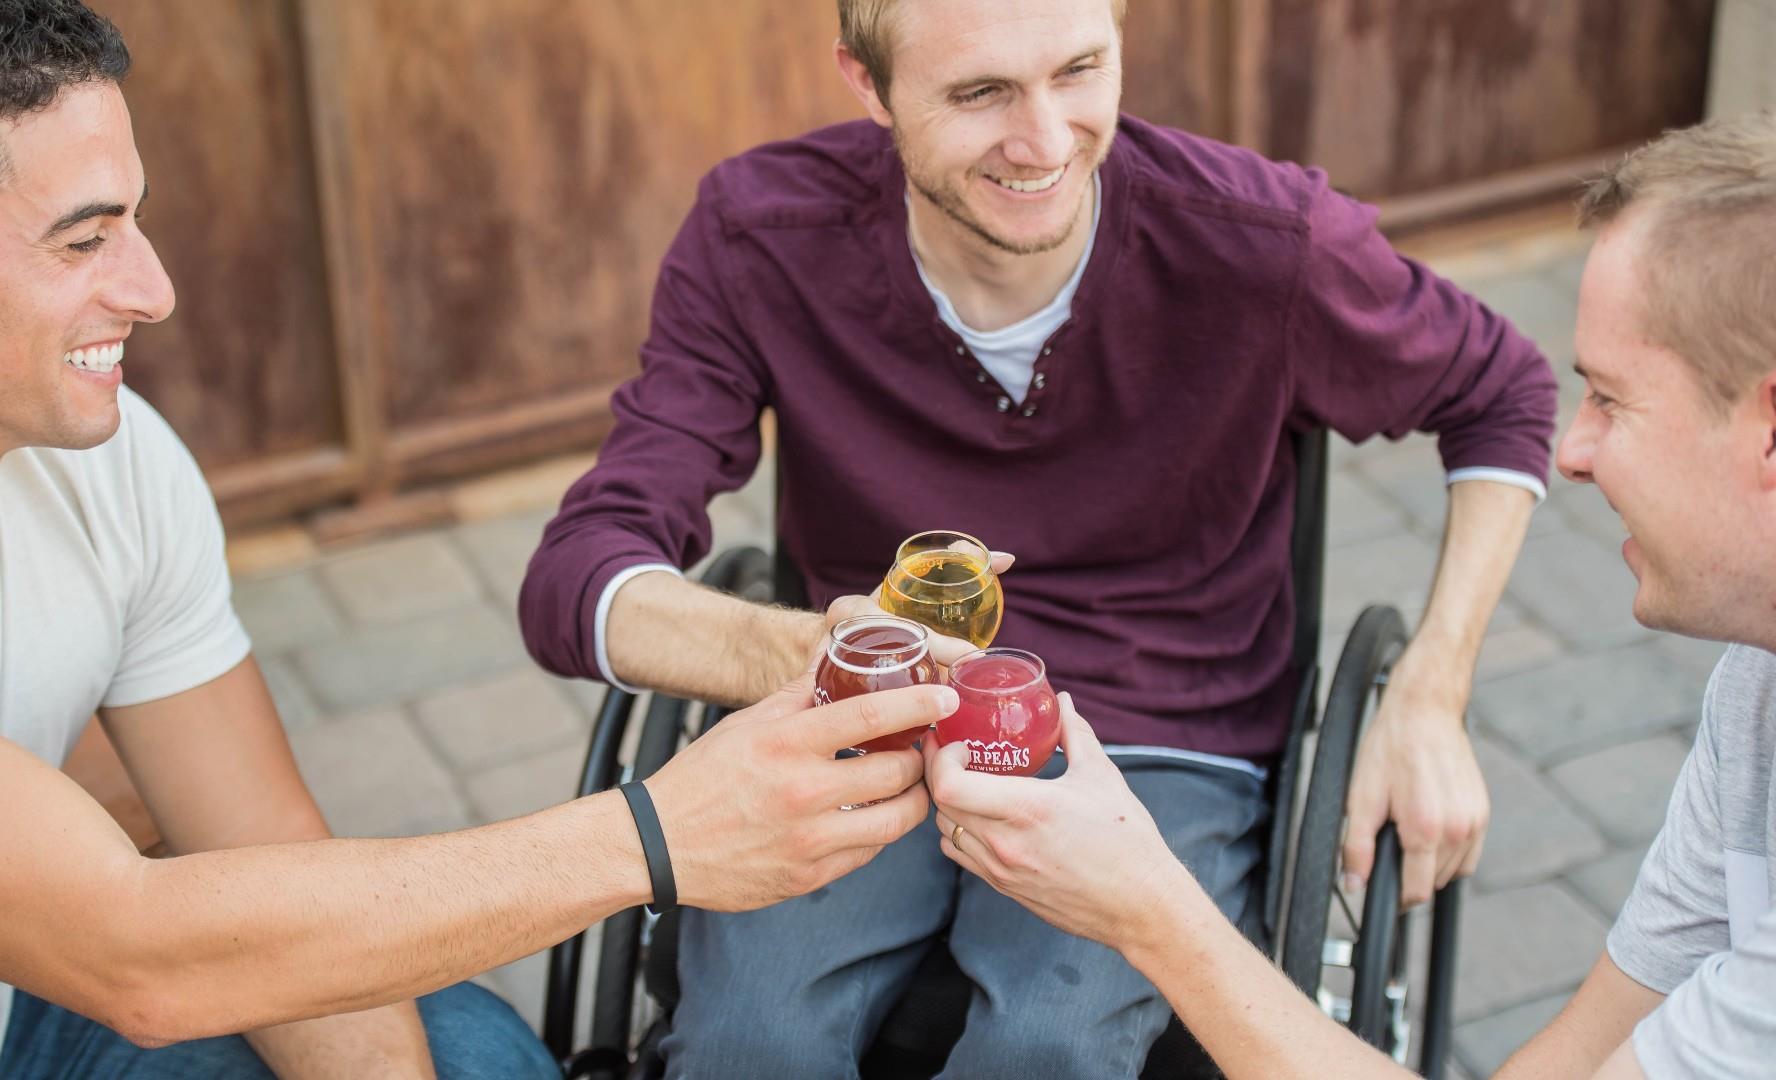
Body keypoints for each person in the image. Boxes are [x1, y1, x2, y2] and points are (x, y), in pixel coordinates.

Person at [0, 3, 949, 1078]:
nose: (154, 290)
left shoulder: (113, 457)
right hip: (27, 994)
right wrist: (659, 838)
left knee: (472, 1057)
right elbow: (140, 955)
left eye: (136, 223)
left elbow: (260, 847)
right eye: (85, 240)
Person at [518, 0, 1557, 1072]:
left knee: (1045, 1046)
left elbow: (1504, 393)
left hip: (1162, 732)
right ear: (867, 85)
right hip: (875, 721)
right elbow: (575, 581)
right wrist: (798, 655)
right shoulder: (760, 236)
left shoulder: (1261, 243)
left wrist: (1434, 690)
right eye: (980, 93)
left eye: (1079, 69)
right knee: (749, 1040)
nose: (1047, 141)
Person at [926, 110, 1776, 1079]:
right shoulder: (1756, 684)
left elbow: (1494, 390)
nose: (1573, 454)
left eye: (1613, 400)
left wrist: (1148, 909)